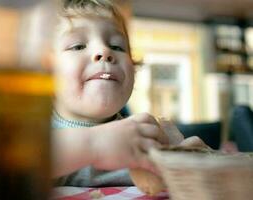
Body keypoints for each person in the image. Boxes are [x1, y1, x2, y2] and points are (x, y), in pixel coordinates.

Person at [50, 0, 207, 187]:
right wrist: (95, 144)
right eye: (78, 46)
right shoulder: (28, 134)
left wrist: (195, 165)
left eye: (117, 46)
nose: (104, 51)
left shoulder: (147, 136)